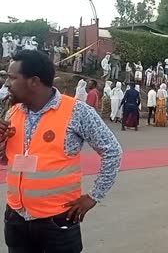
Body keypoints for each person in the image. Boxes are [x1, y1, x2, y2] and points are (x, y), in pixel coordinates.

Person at [0, 50, 122, 253]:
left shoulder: (77, 111)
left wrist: (94, 196)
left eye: (13, 77)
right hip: (16, 217)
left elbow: (113, 151)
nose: (6, 84)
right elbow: (5, 160)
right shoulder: (13, 111)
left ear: (34, 81)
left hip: (56, 221)